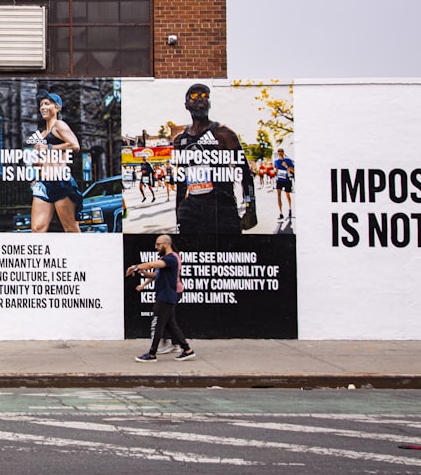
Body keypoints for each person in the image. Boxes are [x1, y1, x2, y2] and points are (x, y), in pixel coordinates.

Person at [172, 84, 256, 234]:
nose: (200, 99)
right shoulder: (180, 140)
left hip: (222, 210)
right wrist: (178, 215)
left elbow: (244, 172)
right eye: (194, 96)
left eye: (205, 96)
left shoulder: (223, 133)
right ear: (186, 105)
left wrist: (251, 208)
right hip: (192, 213)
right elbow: (181, 181)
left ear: (209, 103)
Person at [126, 234, 195, 362]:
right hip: (165, 295)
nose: (156, 247)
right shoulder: (167, 258)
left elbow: (152, 264)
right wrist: (143, 273)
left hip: (166, 296)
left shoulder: (171, 258)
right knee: (170, 325)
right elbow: (155, 274)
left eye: (158, 244)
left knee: (159, 324)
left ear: (166, 244)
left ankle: (152, 354)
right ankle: (187, 350)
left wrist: (136, 267)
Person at [28, 90, 82, 233]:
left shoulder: (59, 125)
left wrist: (49, 147)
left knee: (70, 229)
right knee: (37, 229)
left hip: (60, 181)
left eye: (47, 104)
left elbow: (75, 145)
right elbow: (44, 159)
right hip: (43, 184)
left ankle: (82, 254)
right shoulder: (43, 134)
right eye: (41, 105)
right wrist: (38, 162)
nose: (43, 107)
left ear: (57, 108)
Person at [274, 147, 295, 220]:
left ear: (283, 152)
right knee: (278, 195)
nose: (280, 152)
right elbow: (275, 169)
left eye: (281, 151)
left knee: (287, 195)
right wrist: (275, 171)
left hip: (287, 180)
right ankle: (280, 213)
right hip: (279, 179)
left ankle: (290, 209)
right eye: (279, 151)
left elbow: (294, 170)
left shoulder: (288, 160)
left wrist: (286, 166)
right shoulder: (276, 161)